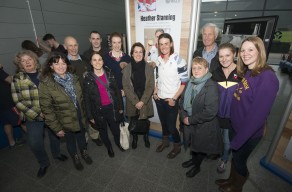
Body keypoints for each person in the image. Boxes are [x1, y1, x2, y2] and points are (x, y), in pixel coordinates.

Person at [216, 37, 279, 192]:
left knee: (240, 161)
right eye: (243, 50)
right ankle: (230, 181)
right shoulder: (250, 72)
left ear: (260, 51)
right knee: (235, 159)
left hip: (248, 133)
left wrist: (238, 140)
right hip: (235, 126)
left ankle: (237, 187)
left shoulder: (267, 77)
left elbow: (257, 117)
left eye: (251, 49)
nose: (245, 54)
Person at [11, 50, 67, 178]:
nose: (27, 62)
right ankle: (43, 163)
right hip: (33, 116)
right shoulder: (17, 78)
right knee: (35, 142)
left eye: (29, 59)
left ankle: (57, 154)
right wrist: (38, 113)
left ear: (34, 60)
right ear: (20, 65)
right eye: (23, 61)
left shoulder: (45, 74)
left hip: (51, 113)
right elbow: (17, 101)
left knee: (55, 136)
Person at [39, 53, 93, 171]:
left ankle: (84, 152)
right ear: (51, 66)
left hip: (79, 115)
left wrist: (86, 115)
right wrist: (56, 128)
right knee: (70, 140)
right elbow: (46, 109)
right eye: (56, 63)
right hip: (64, 120)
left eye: (63, 63)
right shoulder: (46, 84)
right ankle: (75, 157)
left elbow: (81, 98)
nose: (61, 66)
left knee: (82, 137)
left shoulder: (73, 78)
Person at [179, 57, 222, 177]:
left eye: (200, 68)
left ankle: (196, 166)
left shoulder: (211, 86)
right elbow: (181, 101)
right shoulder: (189, 82)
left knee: (200, 147)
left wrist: (190, 119)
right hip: (189, 120)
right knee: (194, 144)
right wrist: (183, 116)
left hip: (203, 124)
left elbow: (210, 111)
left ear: (206, 69)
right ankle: (193, 160)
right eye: (194, 68)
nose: (196, 71)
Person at [153, 33, 188, 159]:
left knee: (171, 126)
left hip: (171, 100)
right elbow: (158, 78)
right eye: (161, 44)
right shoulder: (159, 60)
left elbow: (184, 83)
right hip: (159, 99)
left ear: (171, 44)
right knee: (163, 123)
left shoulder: (179, 61)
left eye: (166, 43)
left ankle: (177, 146)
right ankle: (165, 142)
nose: (164, 46)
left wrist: (174, 99)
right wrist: (155, 91)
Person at [83, 51, 124, 158]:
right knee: (103, 131)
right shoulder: (88, 78)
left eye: (99, 59)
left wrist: (120, 107)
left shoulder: (110, 73)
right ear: (91, 62)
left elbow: (117, 91)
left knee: (115, 129)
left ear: (103, 61)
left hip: (112, 108)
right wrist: (90, 116)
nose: (97, 62)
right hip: (98, 110)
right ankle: (109, 147)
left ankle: (118, 143)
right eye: (94, 60)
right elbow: (86, 98)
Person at [64, 36, 103, 146]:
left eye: (75, 45)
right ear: (65, 47)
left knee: (93, 117)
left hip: (90, 97)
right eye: (70, 45)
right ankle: (84, 139)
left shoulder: (85, 60)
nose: (73, 48)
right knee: (81, 120)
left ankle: (94, 136)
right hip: (75, 99)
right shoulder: (64, 64)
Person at [212, 43, 241, 173]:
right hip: (217, 114)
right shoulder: (216, 73)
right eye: (221, 56)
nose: (224, 59)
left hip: (232, 116)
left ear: (234, 54)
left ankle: (224, 159)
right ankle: (217, 153)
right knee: (217, 137)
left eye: (227, 55)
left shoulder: (242, 73)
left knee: (227, 140)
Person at [122, 42, 155, 149]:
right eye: (136, 52)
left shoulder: (149, 68)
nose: (138, 54)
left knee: (144, 120)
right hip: (132, 101)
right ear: (132, 54)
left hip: (145, 100)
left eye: (140, 52)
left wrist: (142, 101)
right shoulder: (126, 69)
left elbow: (151, 86)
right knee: (134, 120)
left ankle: (146, 137)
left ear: (143, 53)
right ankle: (135, 138)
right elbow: (126, 87)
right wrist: (136, 102)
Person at [103, 32, 131, 120]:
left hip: (124, 93)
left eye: (119, 42)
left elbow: (131, 77)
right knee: (115, 118)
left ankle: (126, 133)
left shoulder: (127, 58)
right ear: (111, 43)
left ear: (121, 43)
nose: (117, 45)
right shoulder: (105, 58)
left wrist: (126, 90)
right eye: (114, 42)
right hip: (111, 94)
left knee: (126, 118)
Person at [0, 64, 26, 148]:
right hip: (8, 102)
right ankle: (35, 138)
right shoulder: (0, 71)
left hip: (1, 105)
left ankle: (11, 142)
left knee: (6, 123)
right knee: (21, 120)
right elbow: (10, 80)